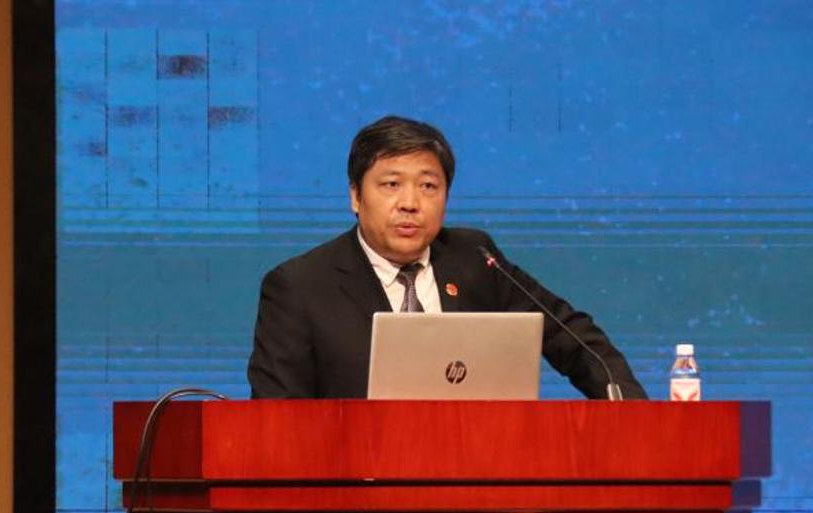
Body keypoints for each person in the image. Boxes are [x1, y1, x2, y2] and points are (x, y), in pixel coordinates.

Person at [247, 115, 646, 399]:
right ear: (355, 196)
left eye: (428, 186)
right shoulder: (300, 286)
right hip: (356, 482)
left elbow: (573, 336)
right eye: (391, 184)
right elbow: (277, 417)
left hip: (476, 472)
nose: (410, 203)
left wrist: (633, 414)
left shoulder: (475, 259)